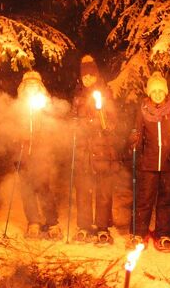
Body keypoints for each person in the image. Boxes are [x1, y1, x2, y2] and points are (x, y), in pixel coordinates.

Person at [129, 72, 170, 251]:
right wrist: (134, 138)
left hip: (169, 161)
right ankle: (139, 233)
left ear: (165, 92)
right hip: (149, 162)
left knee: (167, 199)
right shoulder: (143, 110)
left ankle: (164, 233)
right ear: (149, 93)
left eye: (161, 91)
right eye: (154, 91)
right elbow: (137, 130)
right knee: (145, 198)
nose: (158, 94)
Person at [71, 54, 119, 244]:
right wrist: (76, 124)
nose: (87, 79)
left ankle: (102, 227)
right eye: (84, 76)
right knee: (83, 189)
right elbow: (72, 119)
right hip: (83, 150)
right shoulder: (77, 96)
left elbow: (113, 121)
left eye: (90, 76)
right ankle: (83, 226)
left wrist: (106, 124)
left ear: (96, 76)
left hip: (102, 150)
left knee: (103, 190)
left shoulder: (105, 94)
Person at [16, 71, 63, 240]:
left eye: (34, 86)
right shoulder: (18, 108)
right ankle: (33, 222)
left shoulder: (45, 106)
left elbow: (53, 128)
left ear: (40, 87)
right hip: (23, 154)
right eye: (28, 86)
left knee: (44, 187)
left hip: (41, 153)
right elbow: (10, 130)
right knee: (27, 189)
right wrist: (19, 139)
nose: (31, 89)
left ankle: (52, 221)